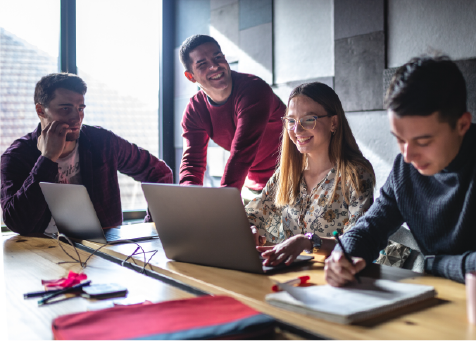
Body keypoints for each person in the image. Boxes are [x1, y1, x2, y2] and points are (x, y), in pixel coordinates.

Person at [324, 55, 476, 300]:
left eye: (424, 141)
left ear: (462, 124)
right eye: (399, 139)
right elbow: (368, 230)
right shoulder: (405, 170)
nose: (408, 155)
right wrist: (343, 255)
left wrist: (432, 264)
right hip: (449, 305)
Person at [0, 73, 173, 235]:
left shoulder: (102, 142)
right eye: (66, 109)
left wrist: (151, 226)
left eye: (80, 108)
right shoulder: (16, 157)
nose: (77, 118)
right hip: (42, 254)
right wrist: (47, 159)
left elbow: (159, 173)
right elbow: (18, 223)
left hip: (102, 252)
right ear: (40, 110)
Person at [245, 82, 375, 266]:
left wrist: (308, 242)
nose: (297, 130)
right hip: (291, 274)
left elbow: (357, 240)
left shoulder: (355, 174)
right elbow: (254, 215)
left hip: (336, 276)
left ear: (333, 122)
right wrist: (250, 229)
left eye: (308, 119)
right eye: (291, 121)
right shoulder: (287, 174)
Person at [178, 35, 286, 194]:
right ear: (190, 76)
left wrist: (225, 202)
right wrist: (187, 200)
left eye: (218, 57)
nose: (214, 66)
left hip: (293, 175)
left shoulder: (253, 90)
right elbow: (192, 163)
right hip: (255, 186)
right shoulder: (195, 111)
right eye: (202, 64)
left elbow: (242, 154)